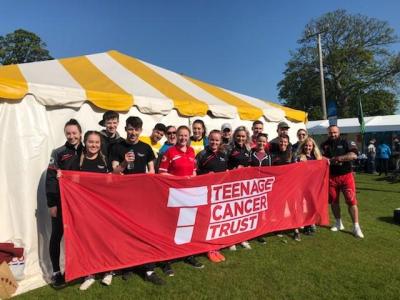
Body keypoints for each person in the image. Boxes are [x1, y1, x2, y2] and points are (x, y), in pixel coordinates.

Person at [109, 116, 165, 285]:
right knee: (126, 232)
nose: (133, 133)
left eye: (136, 129)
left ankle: (149, 269)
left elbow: (152, 170)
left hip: (143, 198)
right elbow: (114, 173)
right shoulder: (117, 147)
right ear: (125, 129)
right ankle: (128, 266)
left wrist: (148, 182)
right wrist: (125, 163)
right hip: (123, 199)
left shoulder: (146, 147)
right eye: (130, 129)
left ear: (141, 130)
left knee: (146, 232)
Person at [69, 131, 112, 290]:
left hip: (103, 209)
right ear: (84, 142)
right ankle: (90, 274)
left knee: (105, 240)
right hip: (85, 209)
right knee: (88, 241)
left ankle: (108, 271)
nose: (93, 145)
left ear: (100, 144)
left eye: (96, 142)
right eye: (90, 142)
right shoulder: (76, 162)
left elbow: (110, 184)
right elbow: (72, 184)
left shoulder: (105, 161)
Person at [159, 125, 205, 270]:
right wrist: (180, 179)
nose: (183, 138)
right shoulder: (170, 151)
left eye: (186, 135)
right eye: (181, 135)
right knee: (170, 226)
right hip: (174, 194)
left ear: (188, 136)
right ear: (176, 136)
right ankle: (167, 260)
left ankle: (188, 254)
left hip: (188, 194)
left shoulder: (191, 151)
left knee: (187, 225)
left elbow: (194, 172)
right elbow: (161, 173)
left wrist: (192, 178)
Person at [46, 119, 84, 288]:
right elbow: (51, 178)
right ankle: (56, 272)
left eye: (74, 133)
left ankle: (82, 268)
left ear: (80, 133)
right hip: (61, 203)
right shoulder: (58, 152)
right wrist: (52, 204)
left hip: (83, 203)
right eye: (68, 133)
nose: (71, 136)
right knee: (57, 235)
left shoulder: (90, 147)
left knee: (82, 235)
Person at [320, 125, 364, 238]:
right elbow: (320, 157)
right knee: (334, 202)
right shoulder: (324, 145)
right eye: (330, 133)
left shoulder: (347, 142)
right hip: (331, 177)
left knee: (351, 201)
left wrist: (338, 159)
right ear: (327, 133)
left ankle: (356, 226)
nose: (333, 134)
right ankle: (338, 223)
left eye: (335, 132)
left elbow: (353, 155)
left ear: (339, 132)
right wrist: (329, 160)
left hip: (346, 176)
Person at [196, 130, 228, 263]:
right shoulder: (202, 154)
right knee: (206, 221)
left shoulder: (223, 155)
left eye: (217, 140)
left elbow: (227, 172)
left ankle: (215, 247)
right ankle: (208, 248)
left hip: (219, 193)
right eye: (212, 140)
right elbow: (195, 173)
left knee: (217, 221)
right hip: (205, 193)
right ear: (208, 140)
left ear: (220, 141)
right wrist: (204, 176)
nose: (214, 142)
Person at [226, 126, 252, 250]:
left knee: (242, 212)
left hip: (244, 185)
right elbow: (223, 166)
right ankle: (231, 240)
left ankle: (242, 237)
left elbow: (249, 165)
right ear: (234, 136)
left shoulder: (247, 149)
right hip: (231, 185)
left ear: (246, 137)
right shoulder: (229, 148)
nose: (240, 138)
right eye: (238, 136)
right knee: (231, 212)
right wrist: (233, 170)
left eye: (243, 136)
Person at [271, 135, 300, 241]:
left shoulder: (292, 154)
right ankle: (280, 227)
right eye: (281, 141)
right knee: (280, 208)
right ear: (278, 142)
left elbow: (297, 168)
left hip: (291, 185)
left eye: (285, 142)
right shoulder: (274, 154)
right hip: (279, 186)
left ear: (288, 143)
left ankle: (296, 230)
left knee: (293, 208)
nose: (283, 143)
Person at [295, 137, 322, 235]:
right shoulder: (299, 157)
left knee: (313, 205)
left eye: (310, 146)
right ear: (303, 146)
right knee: (304, 206)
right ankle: (306, 225)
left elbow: (323, 163)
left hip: (314, 185)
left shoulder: (317, 157)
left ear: (313, 146)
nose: (308, 147)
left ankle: (311, 222)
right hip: (303, 185)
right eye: (306, 145)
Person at [249, 133, 271, 244]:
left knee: (262, 211)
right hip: (252, 187)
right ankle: (251, 231)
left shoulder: (269, 156)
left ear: (266, 143)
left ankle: (260, 232)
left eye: (263, 141)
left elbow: (272, 172)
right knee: (252, 210)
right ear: (255, 141)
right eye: (259, 141)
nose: (261, 143)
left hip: (264, 187)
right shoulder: (251, 154)